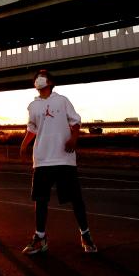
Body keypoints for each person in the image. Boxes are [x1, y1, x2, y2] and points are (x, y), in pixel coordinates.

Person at [19, 69, 97, 255]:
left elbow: (75, 121)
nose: (39, 78)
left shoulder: (62, 100)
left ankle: (85, 235)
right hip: (42, 159)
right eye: (37, 76)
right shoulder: (32, 105)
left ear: (51, 81)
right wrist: (24, 145)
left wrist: (74, 137)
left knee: (76, 200)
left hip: (64, 158)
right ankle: (40, 238)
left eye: (43, 75)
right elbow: (32, 128)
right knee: (40, 200)